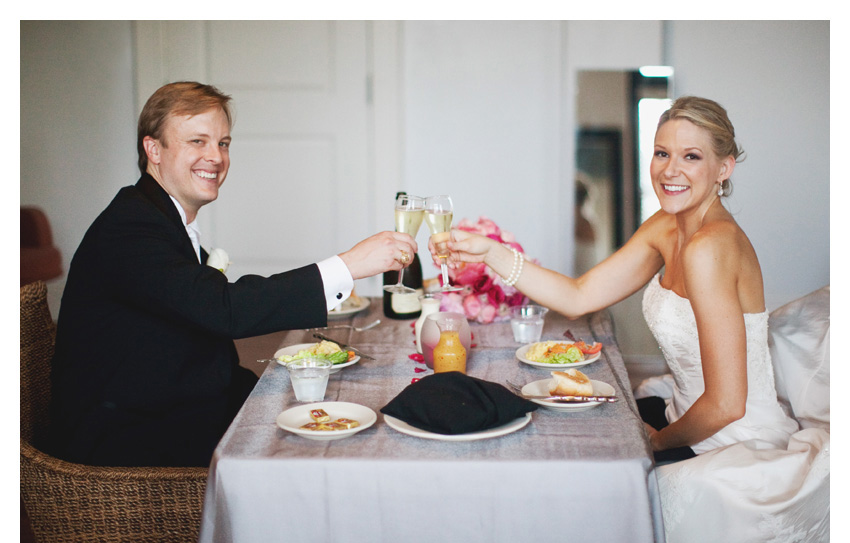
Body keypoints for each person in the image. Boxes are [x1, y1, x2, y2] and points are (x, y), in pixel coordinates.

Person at [49, 81, 417, 467]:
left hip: (170, 403)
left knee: (333, 409)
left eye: (223, 143)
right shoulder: (130, 228)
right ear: (153, 149)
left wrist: (274, 395)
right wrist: (350, 264)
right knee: (329, 447)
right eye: (198, 141)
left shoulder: (156, 217)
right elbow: (223, 308)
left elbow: (200, 323)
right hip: (125, 439)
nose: (216, 157)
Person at [438, 96, 798, 463]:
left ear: (724, 168)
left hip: (726, 442)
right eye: (662, 153)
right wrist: (490, 253)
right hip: (683, 412)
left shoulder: (710, 248)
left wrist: (655, 443)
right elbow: (578, 297)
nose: (670, 170)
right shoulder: (666, 225)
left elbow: (726, 405)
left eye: (691, 156)